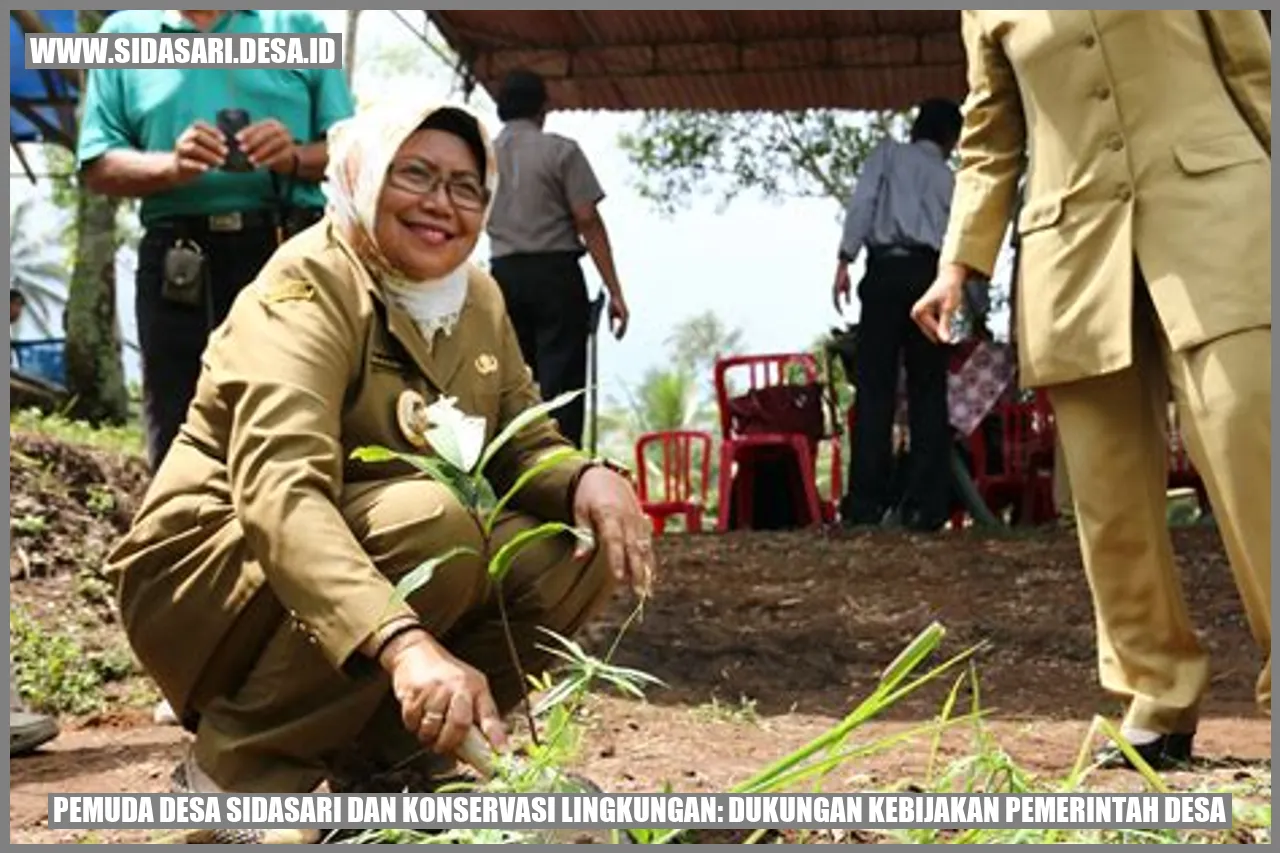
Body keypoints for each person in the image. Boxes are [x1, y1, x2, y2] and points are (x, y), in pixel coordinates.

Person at [102, 100, 655, 823]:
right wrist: (403, 644)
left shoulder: (477, 296)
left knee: (570, 545)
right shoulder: (306, 287)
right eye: (415, 174)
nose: (441, 203)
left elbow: (521, 442)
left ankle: (392, 762)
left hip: (371, 545)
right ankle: (238, 775)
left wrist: (588, 478)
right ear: (362, 176)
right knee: (436, 524)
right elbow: (281, 492)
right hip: (215, 575)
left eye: (465, 186)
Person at [912, 10, 1270, 769]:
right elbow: (990, 140)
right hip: (1070, 246)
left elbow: (1252, 68)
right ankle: (1158, 690)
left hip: (1219, 214)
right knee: (1106, 496)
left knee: (1249, 437)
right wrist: (956, 265)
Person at [76, 9, 355, 473]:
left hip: (288, 250)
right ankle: (182, 537)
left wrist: (292, 156)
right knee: (177, 419)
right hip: (179, 261)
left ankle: (290, 536)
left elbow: (350, 149)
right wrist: (172, 167)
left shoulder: (296, 27)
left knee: (299, 415)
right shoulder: (124, 34)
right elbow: (97, 164)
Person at [832, 99, 964, 532]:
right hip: (930, 275)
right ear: (951, 139)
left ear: (915, 129)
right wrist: (974, 307)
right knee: (929, 391)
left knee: (875, 390)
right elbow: (960, 242)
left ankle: (866, 503)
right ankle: (926, 507)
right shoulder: (949, 179)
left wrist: (845, 258)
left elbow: (863, 203)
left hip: (885, 270)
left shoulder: (886, 156)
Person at [486, 69, 631, 448]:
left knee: (512, 384)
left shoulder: (483, 156)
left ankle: (515, 474)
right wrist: (615, 291)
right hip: (555, 274)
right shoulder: (561, 151)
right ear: (542, 108)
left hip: (502, 275)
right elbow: (587, 218)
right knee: (563, 384)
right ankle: (563, 475)